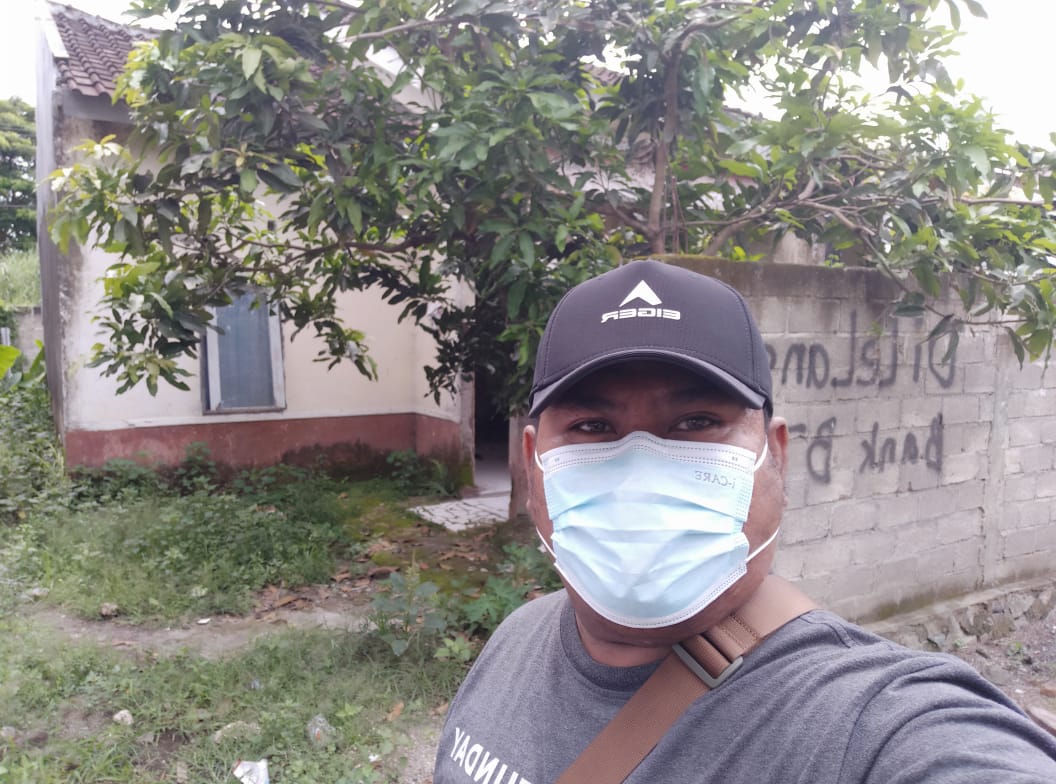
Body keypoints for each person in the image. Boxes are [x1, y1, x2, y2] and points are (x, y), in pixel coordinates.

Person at [433, 259, 1056, 784]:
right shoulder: (517, 637)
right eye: (592, 427)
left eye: (696, 422)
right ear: (532, 464)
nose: (639, 469)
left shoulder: (872, 723)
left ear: (774, 456)